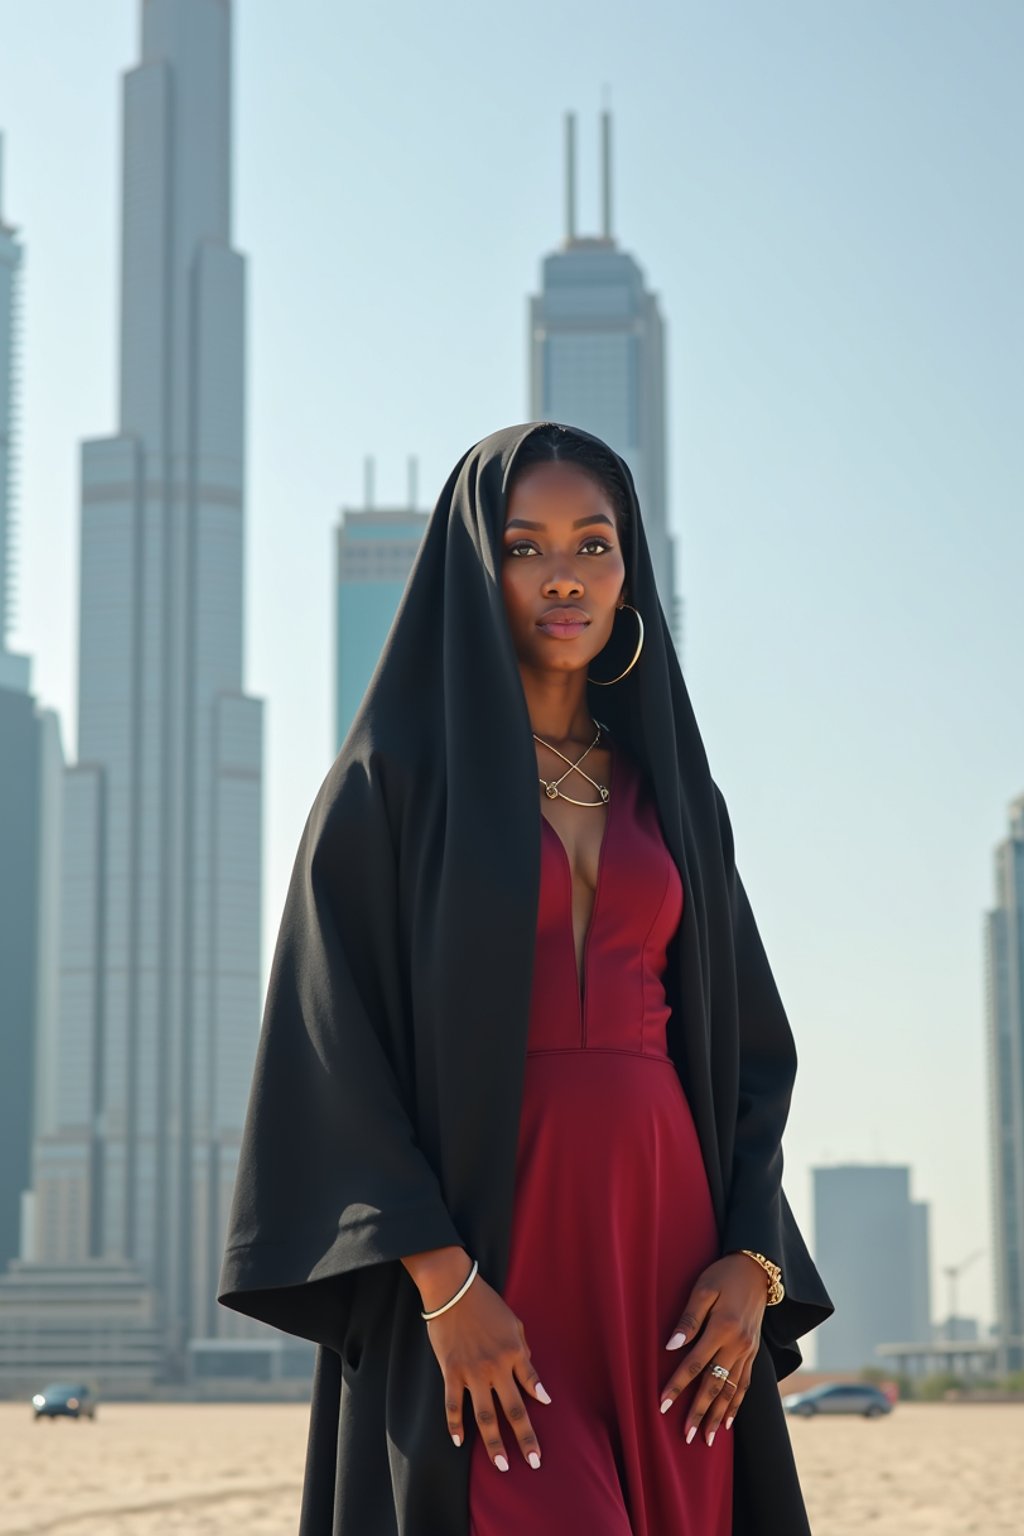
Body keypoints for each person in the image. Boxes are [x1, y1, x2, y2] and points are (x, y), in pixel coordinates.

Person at [218, 421, 835, 1536]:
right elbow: (330, 1049)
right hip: (488, 1269)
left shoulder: (677, 799)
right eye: (524, 546)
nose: (565, 574)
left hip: (667, 1275)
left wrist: (751, 1262)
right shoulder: (388, 789)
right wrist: (446, 1290)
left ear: (629, 572)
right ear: (474, 568)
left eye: (595, 544)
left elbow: (750, 1054)